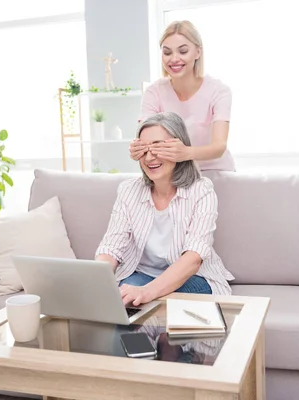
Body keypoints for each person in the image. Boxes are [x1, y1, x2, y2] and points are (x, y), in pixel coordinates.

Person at [96, 112, 234, 306]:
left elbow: (194, 258)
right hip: (143, 276)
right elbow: (112, 246)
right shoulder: (128, 190)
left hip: (193, 278)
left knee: (143, 300)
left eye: (159, 147)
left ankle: (155, 332)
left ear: (178, 149)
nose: (150, 157)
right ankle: (151, 335)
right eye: (143, 149)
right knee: (124, 299)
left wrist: (147, 292)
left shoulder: (201, 190)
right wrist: (95, 278)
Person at [130, 20, 235, 172]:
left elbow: (219, 147)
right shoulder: (154, 92)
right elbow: (145, 138)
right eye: (167, 52)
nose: (174, 59)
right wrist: (138, 148)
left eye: (183, 51)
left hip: (216, 174)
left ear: (198, 52)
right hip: (176, 176)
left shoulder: (218, 91)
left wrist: (185, 153)